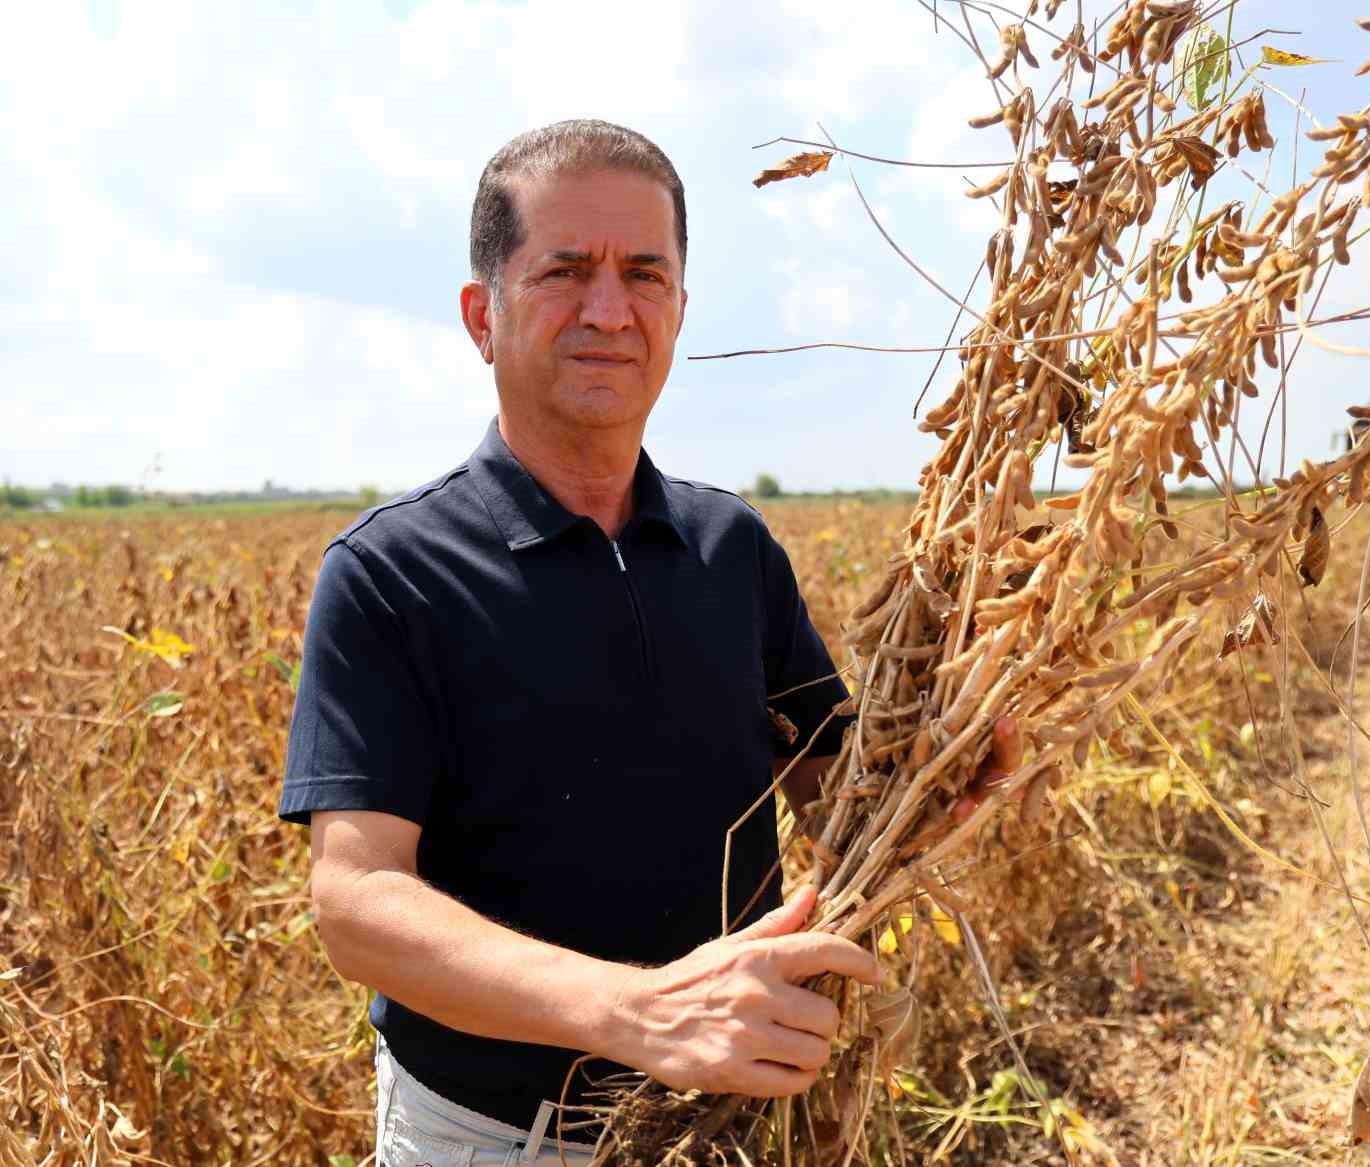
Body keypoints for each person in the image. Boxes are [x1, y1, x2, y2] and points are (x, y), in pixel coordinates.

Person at [277, 120, 1016, 1167]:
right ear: (481, 316)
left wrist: (941, 770)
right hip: (496, 1139)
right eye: (565, 271)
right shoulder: (392, 572)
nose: (609, 310)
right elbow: (357, 905)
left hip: (742, 1123)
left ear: (678, 308)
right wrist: (636, 1012)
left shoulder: (733, 547)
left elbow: (831, 790)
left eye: (644, 273)